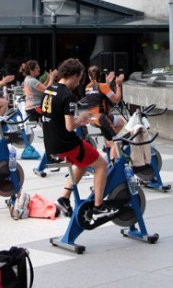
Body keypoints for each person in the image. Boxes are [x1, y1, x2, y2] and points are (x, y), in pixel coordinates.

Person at [42, 58, 117, 220]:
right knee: (102, 164)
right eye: (80, 78)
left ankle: (64, 198)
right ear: (75, 75)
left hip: (51, 143)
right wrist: (82, 118)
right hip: (66, 143)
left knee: (83, 164)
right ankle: (99, 207)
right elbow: (70, 126)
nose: (79, 83)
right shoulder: (67, 95)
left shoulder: (49, 90)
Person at [84, 66, 125, 160]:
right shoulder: (103, 86)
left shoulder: (87, 87)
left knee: (120, 122)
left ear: (89, 76)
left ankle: (107, 143)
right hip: (102, 118)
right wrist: (118, 85)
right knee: (115, 143)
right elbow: (116, 100)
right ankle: (112, 166)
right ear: (100, 76)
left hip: (92, 118)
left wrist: (107, 83)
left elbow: (99, 93)